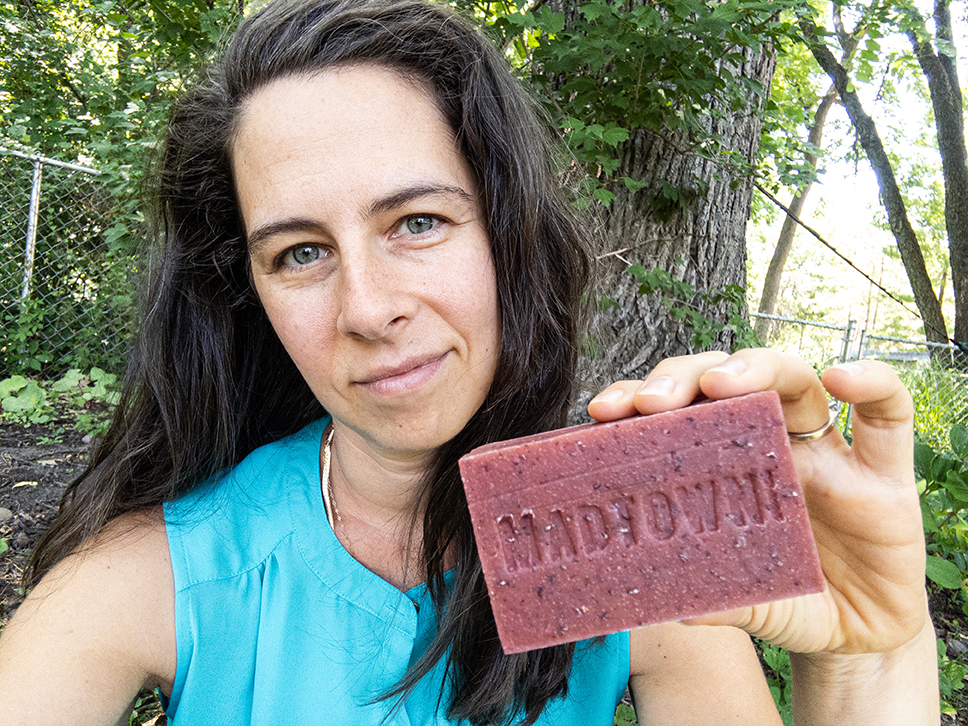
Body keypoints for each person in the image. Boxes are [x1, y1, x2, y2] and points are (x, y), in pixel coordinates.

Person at [0, 1, 939, 724]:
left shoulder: (636, 541)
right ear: (248, 289)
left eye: (418, 222)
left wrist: (869, 658)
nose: (369, 308)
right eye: (300, 252)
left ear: (508, 234)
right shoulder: (163, 572)